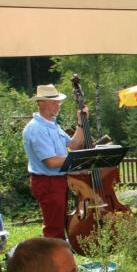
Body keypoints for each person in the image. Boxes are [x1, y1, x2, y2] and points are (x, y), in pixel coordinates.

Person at [22, 84, 88, 239]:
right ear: (41, 103)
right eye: (54, 102)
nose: (58, 106)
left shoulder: (51, 125)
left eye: (59, 102)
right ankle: (53, 253)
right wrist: (81, 159)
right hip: (47, 182)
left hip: (56, 180)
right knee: (54, 229)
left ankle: (58, 251)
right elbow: (51, 162)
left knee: (58, 224)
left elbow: (73, 144)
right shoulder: (37, 128)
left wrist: (81, 122)